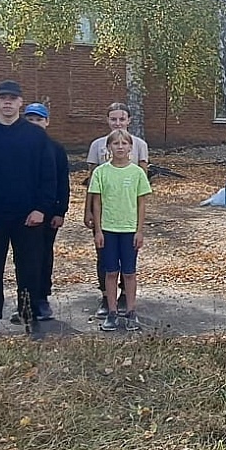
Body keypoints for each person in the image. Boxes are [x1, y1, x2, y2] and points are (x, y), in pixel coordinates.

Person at [0, 80, 58, 338]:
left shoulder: (35, 135)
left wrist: (41, 208)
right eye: (3, 97)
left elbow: (48, 176)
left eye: (12, 98)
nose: (7, 102)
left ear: (20, 102)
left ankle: (29, 317)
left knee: (28, 269)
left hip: (28, 217)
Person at [85, 102, 149, 317]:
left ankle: (126, 300)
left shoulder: (140, 144)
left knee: (129, 264)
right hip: (106, 218)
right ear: (108, 120)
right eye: (114, 119)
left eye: (122, 119)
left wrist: (140, 226)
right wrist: (89, 211)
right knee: (105, 260)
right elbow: (92, 185)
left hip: (128, 217)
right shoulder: (97, 146)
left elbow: (141, 187)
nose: (118, 122)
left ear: (129, 120)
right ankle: (106, 297)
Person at [20, 102, 69, 323]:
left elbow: (62, 183)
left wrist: (60, 211)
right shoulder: (16, 145)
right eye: (30, 119)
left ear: (47, 122)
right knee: (23, 258)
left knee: (43, 255)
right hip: (20, 212)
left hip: (48, 214)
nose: (34, 124)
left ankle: (42, 298)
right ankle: (25, 301)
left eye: (38, 120)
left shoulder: (56, 148)